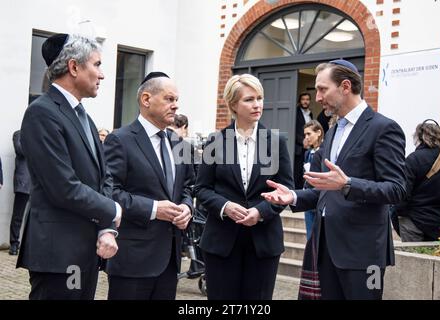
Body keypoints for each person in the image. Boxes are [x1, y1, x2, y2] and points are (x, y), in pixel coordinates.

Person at [262, 59, 406, 300]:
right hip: (326, 248)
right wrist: (293, 196)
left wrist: (348, 184)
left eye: (322, 89)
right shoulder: (332, 132)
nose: (317, 97)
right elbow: (324, 191)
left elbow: (397, 189)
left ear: (345, 86)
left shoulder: (383, 128)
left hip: (364, 253)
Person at [18, 33, 122, 300]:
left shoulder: (84, 116)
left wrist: (106, 226)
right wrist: (113, 209)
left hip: (85, 250)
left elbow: (104, 176)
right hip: (58, 255)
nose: (102, 75)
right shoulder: (42, 112)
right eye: (97, 65)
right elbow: (63, 187)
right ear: (74, 67)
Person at [195, 74, 294, 300]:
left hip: (264, 242)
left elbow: (286, 189)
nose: (257, 104)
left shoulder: (276, 141)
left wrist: (261, 211)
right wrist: (225, 206)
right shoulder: (215, 142)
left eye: (259, 98)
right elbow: (201, 189)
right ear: (233, 105)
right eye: (249, 99)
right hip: (221, 243)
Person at [103, 72, 194, 300]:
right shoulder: (120, 140)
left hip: (170, 262)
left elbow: (187, 187)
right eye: (169, 99)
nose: (176, 106)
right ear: (146, 99)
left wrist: (186, 208)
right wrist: (154, 209)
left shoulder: (178, 144)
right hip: (132, 261)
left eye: (176, 100)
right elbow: (109, 193)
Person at [394, 120, 440, 242]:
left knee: (412, 258)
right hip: (436, 221)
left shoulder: (413, 159)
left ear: (420, 137)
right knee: (430, 258)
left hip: (412, 221)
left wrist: (399, 212)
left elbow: (403, 192)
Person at [9, 130, 31, 255]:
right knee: (18, 216)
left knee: (34, 218)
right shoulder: (19, 134)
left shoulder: (39, 134)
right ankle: (13, 244)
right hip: (23, 182)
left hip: (37, 184)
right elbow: (20, 150)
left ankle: (28, 246)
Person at [302, 120, 324, 240]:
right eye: (305, 134)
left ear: (319, 132)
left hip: (319, 198)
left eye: (309, 134)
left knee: (319, 237)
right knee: (310, 237)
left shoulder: (325, 151)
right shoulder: (308, 153)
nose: (306, 137)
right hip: (307, 197)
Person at [294, 92, 313, 189]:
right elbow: (294, 129)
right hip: (298, 148)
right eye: (303, 99)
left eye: (307, 99)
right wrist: (303, 141)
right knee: (297, 172)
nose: (305, 102)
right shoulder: (295, 112)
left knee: (306, 171)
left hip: (308, 147)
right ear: (299, 101)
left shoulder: (310, 113)